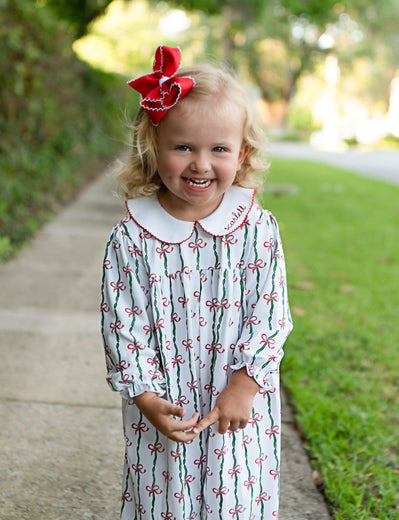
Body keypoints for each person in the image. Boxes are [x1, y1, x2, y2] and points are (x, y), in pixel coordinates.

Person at [101, 45, 293, 520]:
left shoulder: (256, 228)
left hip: (237, 401)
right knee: (163, 497)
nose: (200, 164)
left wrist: (247, 382)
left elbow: (270, 313)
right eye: (183, 146)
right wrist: (144, 395)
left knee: (236, 497)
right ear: (154, 145)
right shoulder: (132, 237)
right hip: (167, 403)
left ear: (242, 152)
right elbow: (123, 325)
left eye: (219, 149)